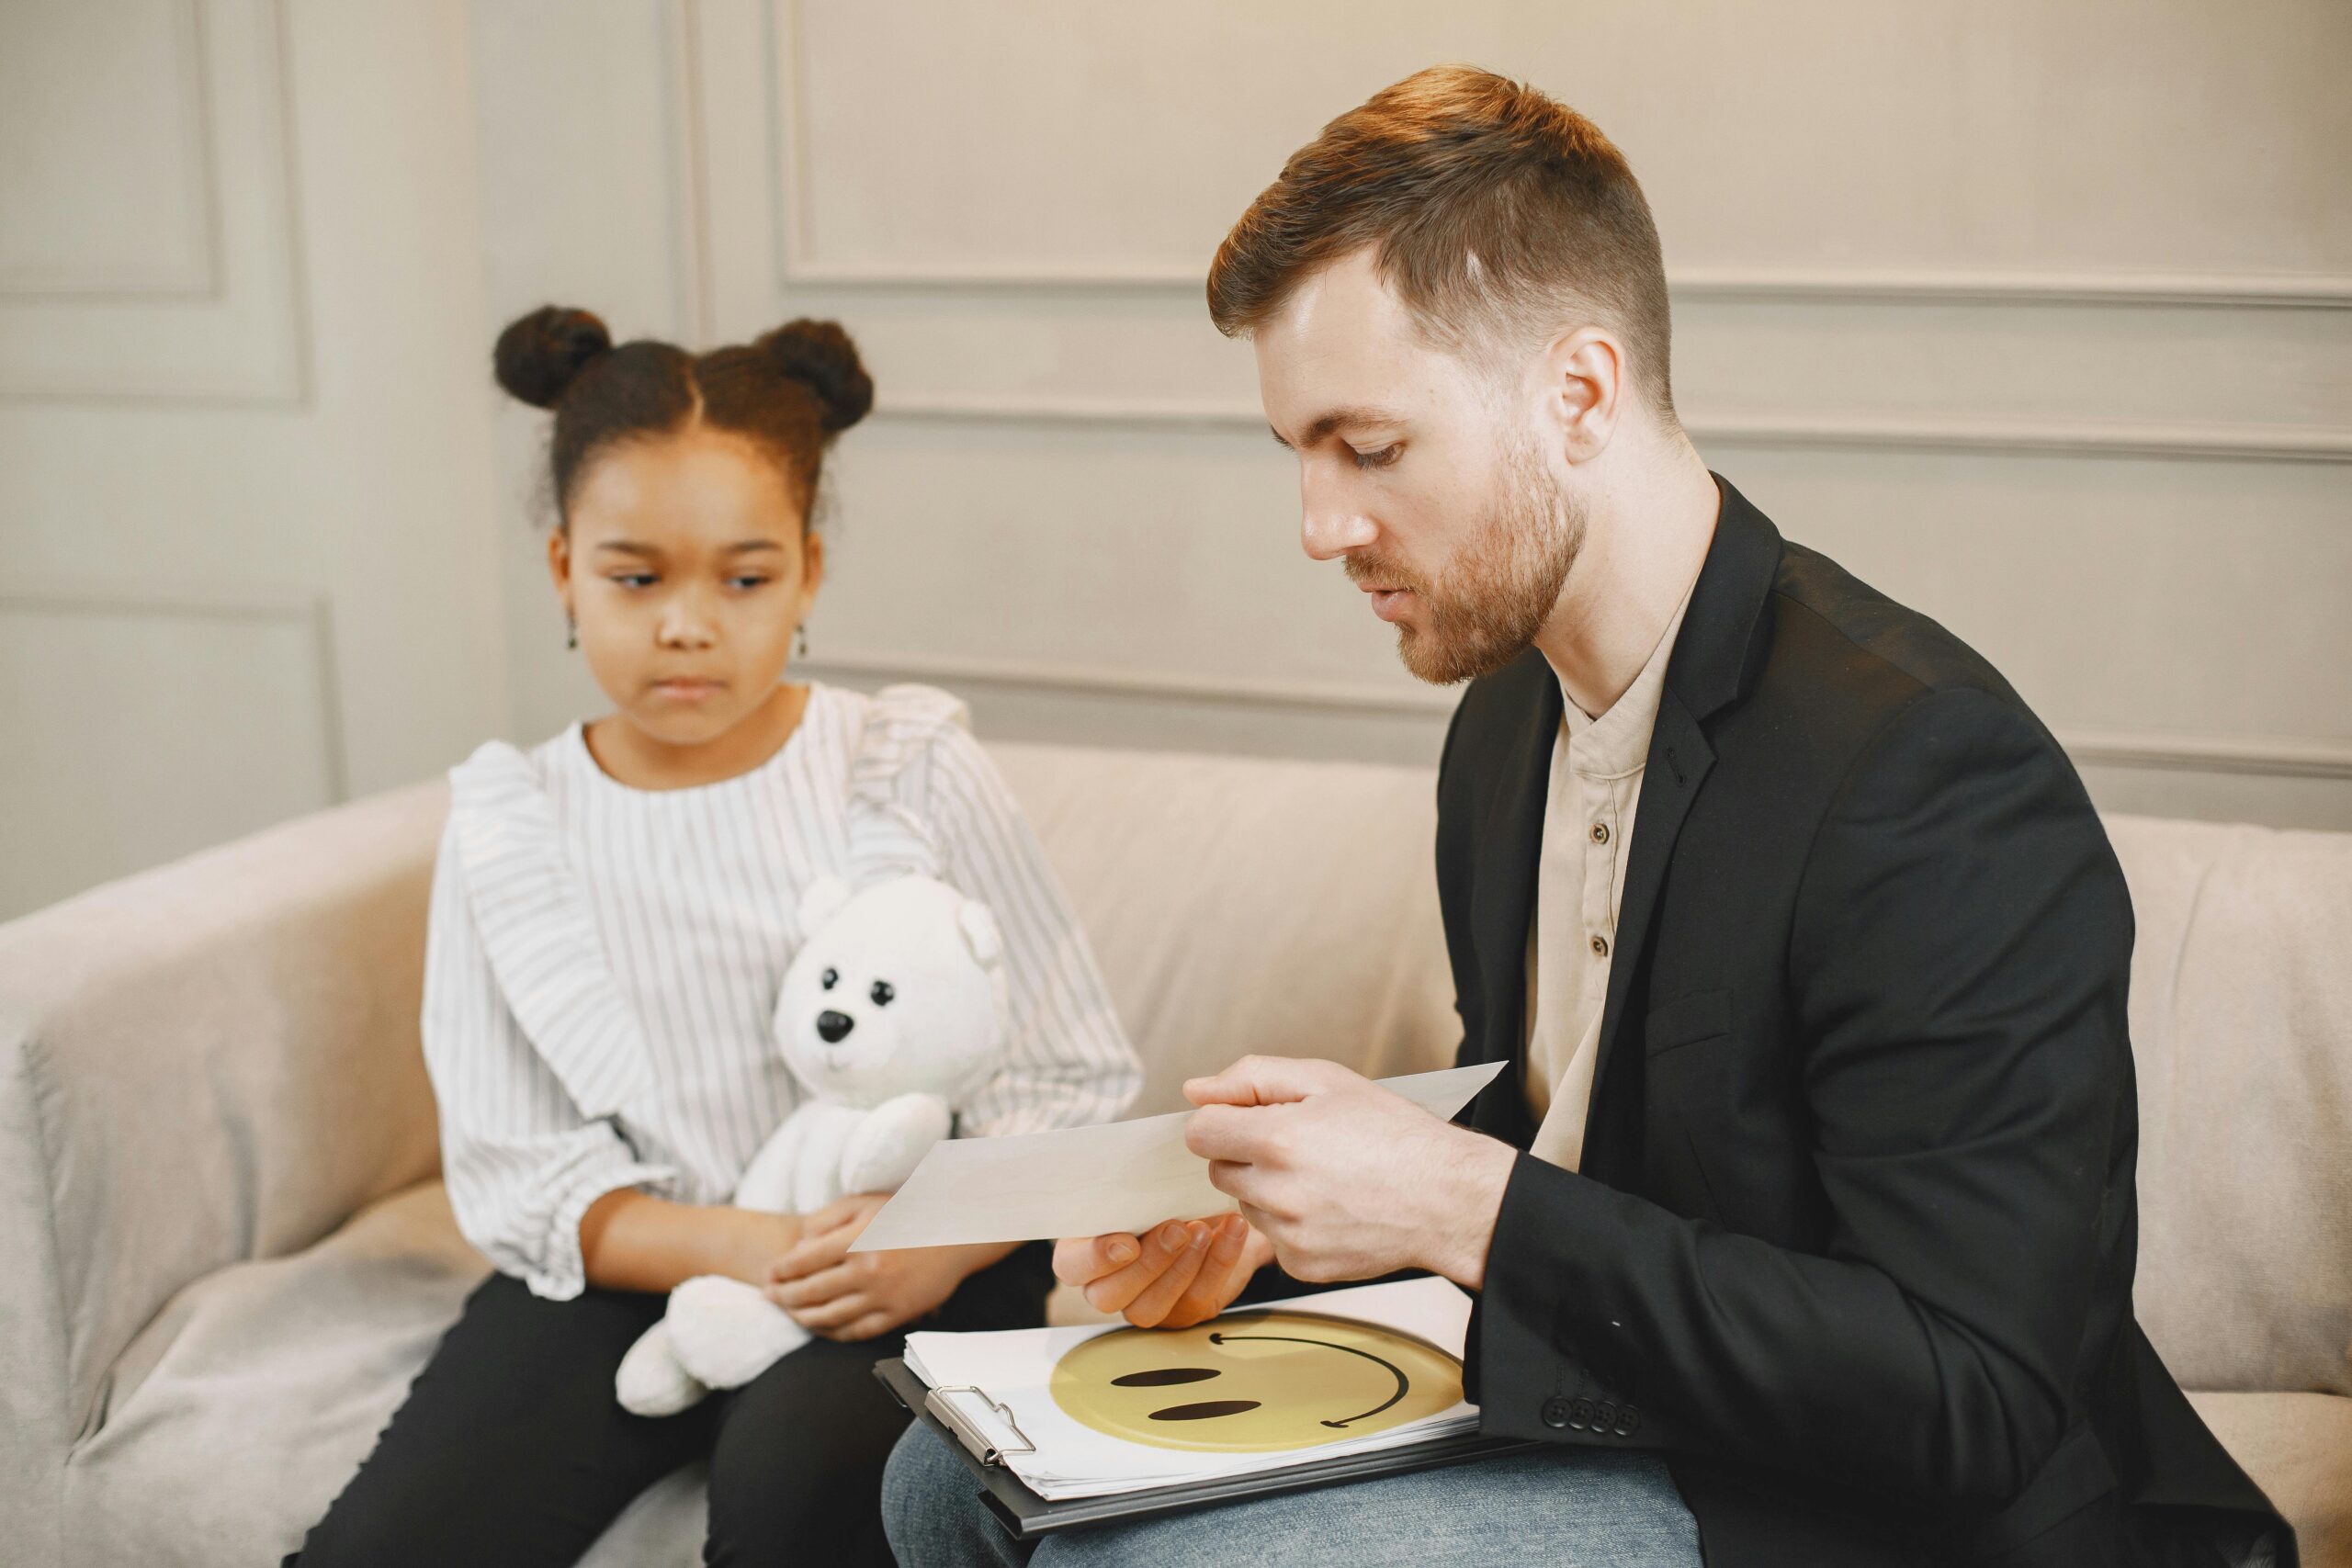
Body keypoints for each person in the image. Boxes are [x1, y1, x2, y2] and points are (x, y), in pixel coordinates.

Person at [882, 65, 2290, 1568]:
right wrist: (1290, 1214)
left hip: (1877, 1512)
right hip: (1640, 1412)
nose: (1321, 526)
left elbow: (1973, 1394)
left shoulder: (1925, 772)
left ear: (1579, 394)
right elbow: (1587, 1142)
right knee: (936, 1479)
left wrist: (1458, 1203)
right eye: (1298, 454)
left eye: (1371, 449)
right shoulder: (1504, 723)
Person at [288, 308, 1142, 1568]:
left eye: (744, 579)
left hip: (903, 1252)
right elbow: (522, 1168)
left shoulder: (905, 763)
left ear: (807, 572)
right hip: (642, 1259)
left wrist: (931, 1246)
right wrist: (749, 1248)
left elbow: (1069, 1074)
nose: (687, 624)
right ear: (563, 570)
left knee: (800, 1503)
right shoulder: (512, 827)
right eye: (636, 578)